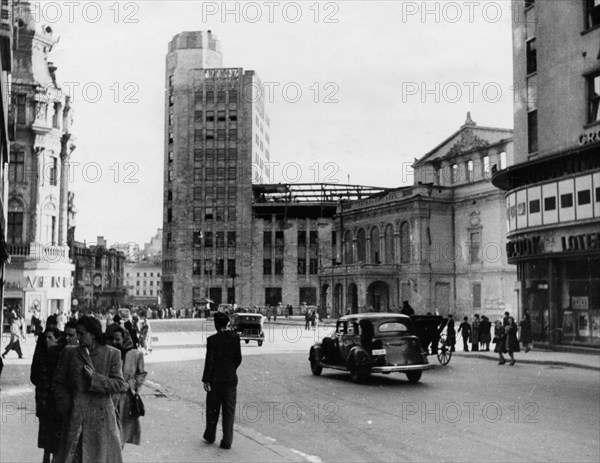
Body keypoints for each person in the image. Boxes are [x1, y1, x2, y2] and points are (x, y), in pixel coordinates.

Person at [52, 316, 126, 463]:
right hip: (75, 418)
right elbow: (57, 383)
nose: (78, 337)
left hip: (102, 420)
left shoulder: (112, 354)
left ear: (93, 335)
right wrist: (68, 405)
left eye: (81, 333)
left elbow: (119, 384)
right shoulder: (70, 352)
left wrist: (95, 379)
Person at [202, 312, 242, 450]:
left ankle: (210, 435)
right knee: (229, 410)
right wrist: (231, 369)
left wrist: (206, 380)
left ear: (215, 324)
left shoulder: (212, 340)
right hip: (230, 379)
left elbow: (209, 362)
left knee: (213, 408)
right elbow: (238, 359)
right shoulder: (235, 338)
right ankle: (227, 441)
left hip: (215, 379)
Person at [106, 324, 147, 448]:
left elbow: (141, 375)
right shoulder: (108, 353)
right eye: (112, 339)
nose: (115, 342)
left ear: (125, 339)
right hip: (110, 398)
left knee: (121, 434)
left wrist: (130, 384)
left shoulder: (135, 355)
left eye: (118, 339)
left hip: (126, 400)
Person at [32, 328, 67, 463]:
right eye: (46, 338)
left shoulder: (62, 355)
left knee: (56, 438)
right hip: (44, 401)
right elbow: (34, 376)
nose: (47, 340)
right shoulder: (42, 354)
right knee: (46, 437)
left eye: (50, 338)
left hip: (56, 403)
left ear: (58, 339)